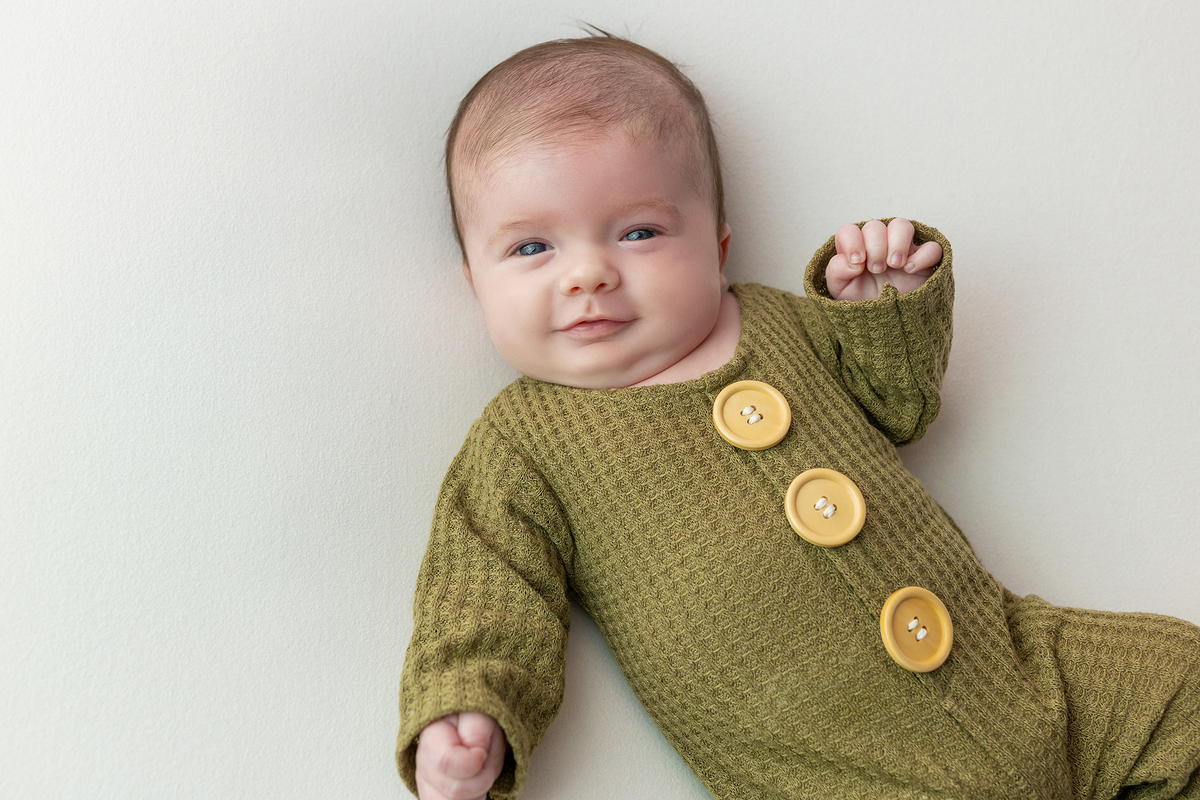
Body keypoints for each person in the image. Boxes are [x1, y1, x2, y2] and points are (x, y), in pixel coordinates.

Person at [398, 33, 1200, 800]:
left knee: (1182, 685)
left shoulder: (780, 322)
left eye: (638, 232)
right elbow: (484, 590)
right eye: (532, 249)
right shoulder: (523, 443)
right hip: (842, 772)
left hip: (1025, 675)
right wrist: (466, 707)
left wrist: (880, 310)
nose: (588, 276)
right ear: (475, 283)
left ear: (715, 248)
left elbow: (900, 405)